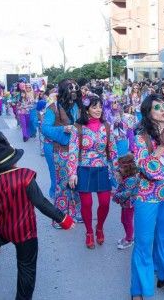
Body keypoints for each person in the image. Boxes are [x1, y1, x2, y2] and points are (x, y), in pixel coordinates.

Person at [0, 132, 74, 299]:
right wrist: (63, 219)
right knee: (26, 269)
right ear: (13, 159)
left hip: (5, 230)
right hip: (26, 233)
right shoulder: (25, 176)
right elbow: (41, 203)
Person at [131, 94, 164, 298]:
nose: (163, 110)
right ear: (148, 112)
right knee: (144, 243)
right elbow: (145, 168)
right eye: (157, 107)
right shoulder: (141, 137)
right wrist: (158, 152)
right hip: (147, 197)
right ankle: (139, 289)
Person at [68, 95, 118, 249]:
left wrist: (117, 171)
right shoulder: (78, 127)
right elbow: (73, 151)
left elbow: (113, 150)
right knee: (87, 203)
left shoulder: (107, 126)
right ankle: (89, 231)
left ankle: (100, 227)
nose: (98, 110)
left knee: (105, 203)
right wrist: (72, 173)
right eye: (94, 107)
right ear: (87, 109)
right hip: (83, 169)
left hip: (102, 168)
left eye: (100, 107)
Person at [41, 79, 82, 225]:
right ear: (64, 90)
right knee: (62, 183)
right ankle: (60, 218)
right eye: (70, 88)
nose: (74, 91)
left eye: (76, 88)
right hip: (59, 150)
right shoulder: (53, 108)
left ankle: (77, 212)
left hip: (76, 149)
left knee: (77, 182)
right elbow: (45, 128)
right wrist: (63, 129)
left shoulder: (77, 106)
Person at [113, 153, 140, 250]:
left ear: (127, 168)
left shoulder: (131, 179)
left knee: (127, 221)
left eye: (121, 167)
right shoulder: (126, 175)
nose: (119, 169)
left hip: (129, 204)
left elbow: (127, 193)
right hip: (125, 204)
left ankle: (129, 239)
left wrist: (115, 195)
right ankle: (127, 236)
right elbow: (116, 169)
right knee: (123, 220)